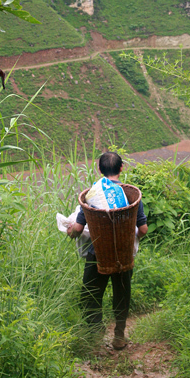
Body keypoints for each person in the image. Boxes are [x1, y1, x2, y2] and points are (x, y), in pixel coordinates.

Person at [67, 150, 147, 350]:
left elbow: (77, 229)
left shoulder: (93, 195)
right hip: (123, 254)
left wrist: (70, 231)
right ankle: (119, 336)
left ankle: (94, 335)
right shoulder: (131, 195)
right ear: (121, 168)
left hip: (98, 255)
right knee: (122, 293)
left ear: (100, 170)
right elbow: (143, 230)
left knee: (91, 294)